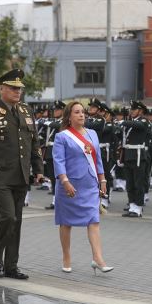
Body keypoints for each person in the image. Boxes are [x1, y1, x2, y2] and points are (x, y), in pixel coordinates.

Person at [0, 68, 44, 280]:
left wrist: (38, 169)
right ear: (2, 88)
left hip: (21, 175)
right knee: (8, 216)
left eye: (20, 88)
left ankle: (11, 265)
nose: (17, 91)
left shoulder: (25, 111)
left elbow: (34, 143)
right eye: (13, 88)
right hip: (0, 175)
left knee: (17, 220)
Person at [53, 101, 113, 275]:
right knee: (66, 223)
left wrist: (102, 180)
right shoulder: (62, 136)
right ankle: (66, 257)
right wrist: (64, 181)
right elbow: (59, 161)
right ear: (69, 116)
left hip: (90, 184)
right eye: (77, 112)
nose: (81, 115)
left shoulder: (93, 134)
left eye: (83, 112)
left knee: (93, 221)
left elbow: (98, 159)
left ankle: (98, 259)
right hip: (69, 185)